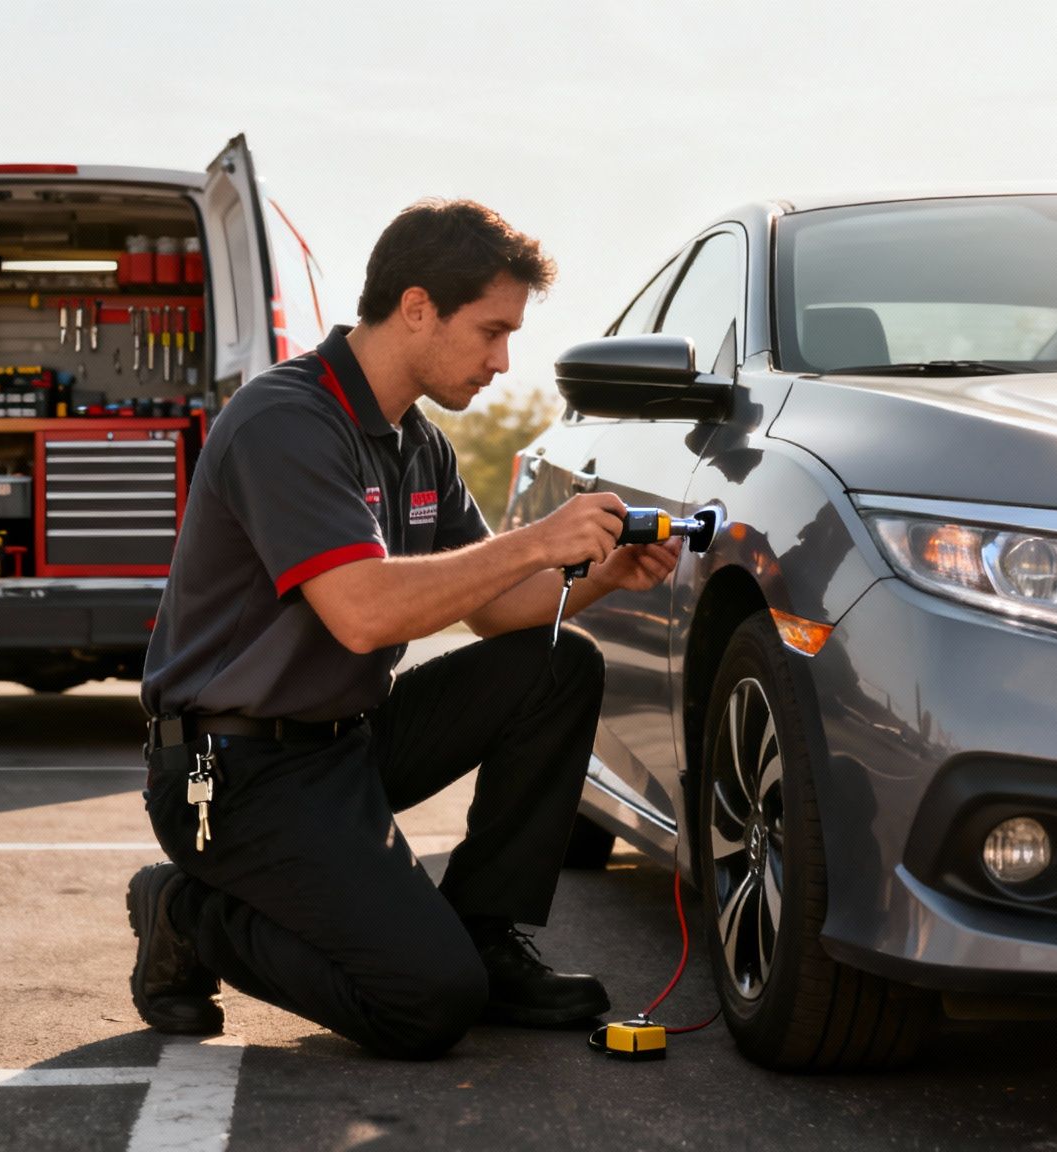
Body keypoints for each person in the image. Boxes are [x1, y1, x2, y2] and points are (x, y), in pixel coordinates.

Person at [125, 198, 682, 1060]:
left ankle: (486, 937)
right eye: (491, 330)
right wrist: (539, 539)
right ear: (417, 307)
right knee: (424, 1003)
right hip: (234, 773)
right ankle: (188, 914)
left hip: (345, 745)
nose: (503, 361)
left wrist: (603, 575)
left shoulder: (417, 442)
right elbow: (363, 614)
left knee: (554, 664)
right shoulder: (288, 422)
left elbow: (494, 611)